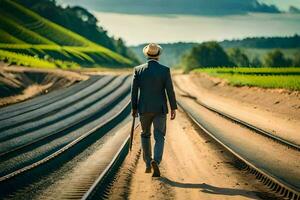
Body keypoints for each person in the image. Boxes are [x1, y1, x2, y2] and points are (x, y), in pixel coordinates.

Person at [131, 43, 177, 177]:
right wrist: (173, 107)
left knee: (145, 135)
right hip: (160, 109)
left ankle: (147, 164)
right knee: (159, 136)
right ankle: (156, 161)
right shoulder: (165, 70)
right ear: (158, 55)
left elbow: (134, 92)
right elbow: (170, 90)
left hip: (144, 108)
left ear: (147, 54)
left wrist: (134, 108)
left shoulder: (138, 70)